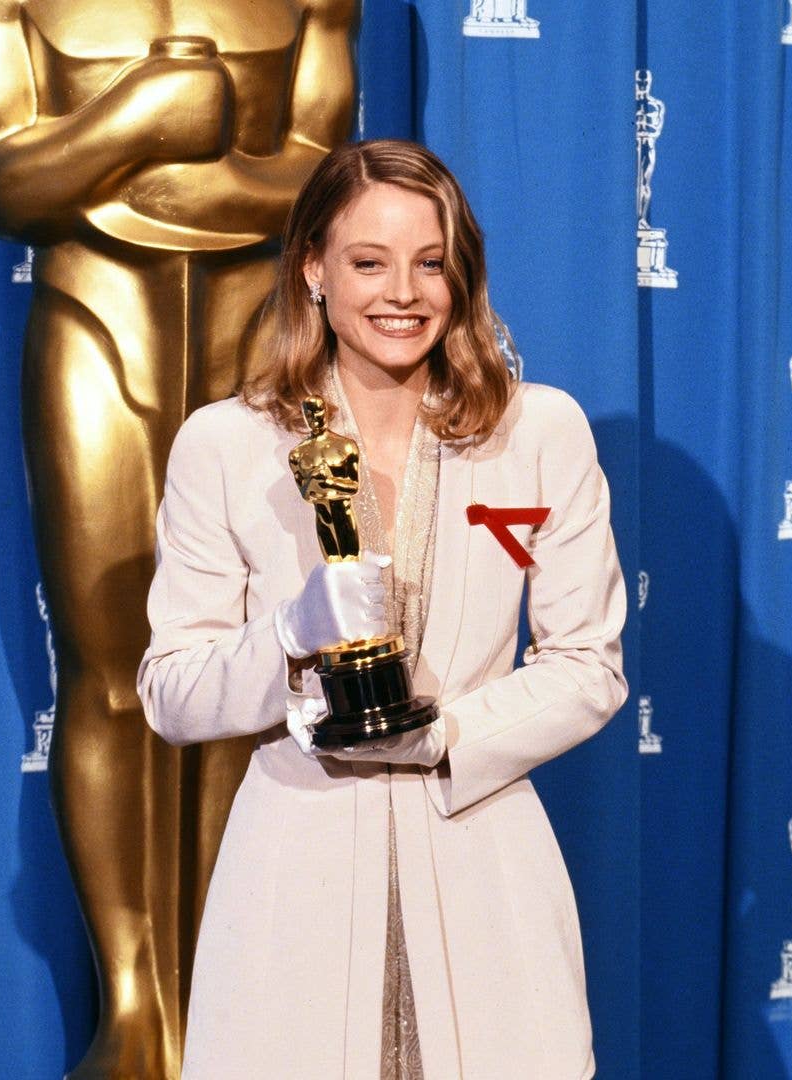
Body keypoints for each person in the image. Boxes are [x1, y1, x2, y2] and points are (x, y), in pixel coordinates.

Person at [138, 139, 628, 1079]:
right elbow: (173, 693)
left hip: (487, 863)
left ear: (462, 274)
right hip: (293, 874)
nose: (402, 292)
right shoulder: (227, 445)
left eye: (430, 262)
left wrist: (442, 736)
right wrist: (289, 639)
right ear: (313, 270)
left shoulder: (540, 432)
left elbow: (588, 667)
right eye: (369, 262)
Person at [0, 2, 357, 1073]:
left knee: (255, 663)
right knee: (113, 667)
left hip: (259, 331)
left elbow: (324, 179)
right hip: (93, 315)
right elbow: (2, 180)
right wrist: (137, 119)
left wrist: (152, 179)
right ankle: (133, 1005)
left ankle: (227, 996)